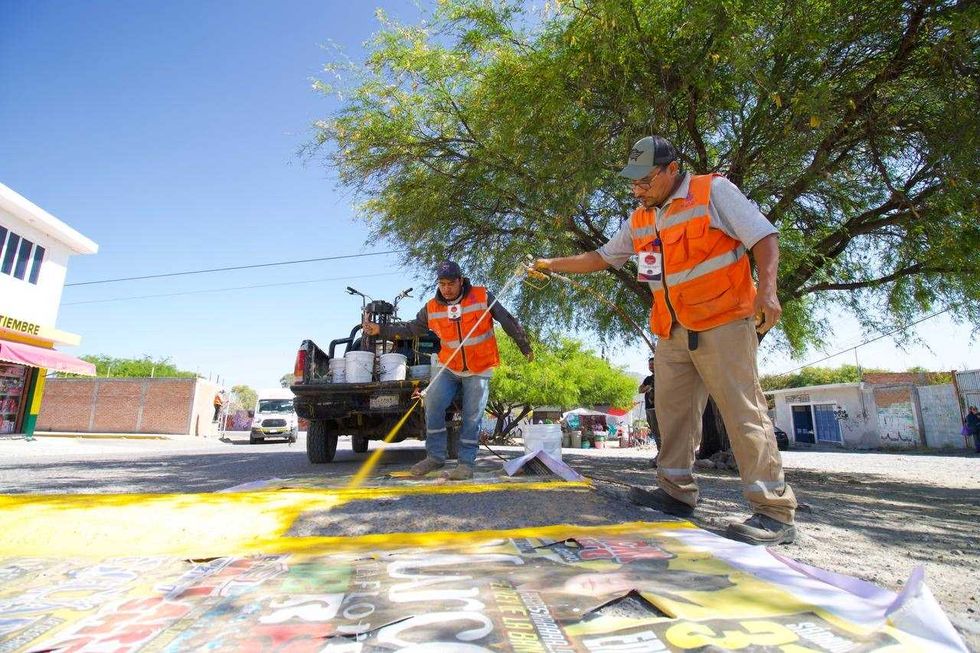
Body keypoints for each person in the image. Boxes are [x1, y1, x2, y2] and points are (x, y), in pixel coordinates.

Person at [534, 135, 798, 545]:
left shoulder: (713, 191)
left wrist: (768, 290)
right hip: (672, 330)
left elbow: (763, 237)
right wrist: (551, 263)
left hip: (724, 320)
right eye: (633, 182)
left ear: (672, 169)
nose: (637, 189)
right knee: (672, 415)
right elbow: (603, 257)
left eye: (645, 180)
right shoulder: (639, 218)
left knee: (743, 412)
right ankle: (676, 493)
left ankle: (774, 512)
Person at [363, 260, 533, 480]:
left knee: (472, 417)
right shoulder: (432, 307)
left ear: (460, 281)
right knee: (433, 403)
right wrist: (380, 329)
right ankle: (435, 457)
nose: (447, 288)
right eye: (442, 283)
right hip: (449, 366)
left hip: (478, 368)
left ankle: (465, 464)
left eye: (451, 283)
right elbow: (412, 328)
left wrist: (524, 344)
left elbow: (507, 319)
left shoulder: (482, 296)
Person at [637, 355, 662, 465]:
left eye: (653, 364)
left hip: (659, 407)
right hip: (649, 408)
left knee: (659, 431)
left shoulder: (662, 377)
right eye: (650, 364)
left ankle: (662, 454)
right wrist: (648, 388)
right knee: (655, 431)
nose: (651, 366)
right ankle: (660, 452)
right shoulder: (648, 379)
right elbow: (640, 389)